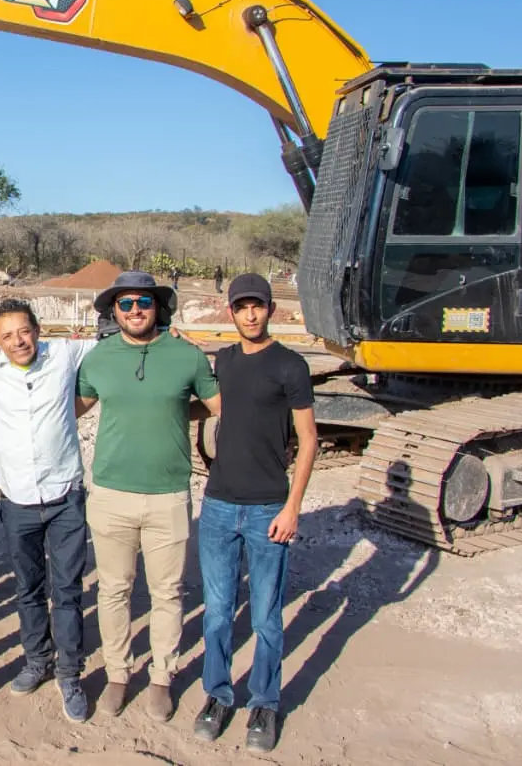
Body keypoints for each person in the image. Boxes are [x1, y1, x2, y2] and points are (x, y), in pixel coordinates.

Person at [76, 270, 220, 722]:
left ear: (158, 307)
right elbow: (72, 408)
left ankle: (161, 677)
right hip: (111, 494)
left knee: (167, 593)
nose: (135, 310)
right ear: (113, 310)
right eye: (125, 303)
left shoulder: (187, 356)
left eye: (143, 301)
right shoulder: (99, 358)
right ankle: (118, 674)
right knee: (112, 591)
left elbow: (219, 406)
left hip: (168, 495)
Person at [193, 273, 316, 753]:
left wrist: (292, 507)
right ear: (231, 311)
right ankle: (217, 695)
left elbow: (308, 440)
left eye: (257, 306)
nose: (250, 314)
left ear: (270, 310)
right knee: (217, 612)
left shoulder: (291, 366)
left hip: (268, 508)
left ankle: (264, 702)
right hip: (219, 506)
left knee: (266, 616)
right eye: (242, 306)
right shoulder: (223, 361)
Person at [0, 299, 92, 723]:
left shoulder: (63, 354)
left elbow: (118, 344)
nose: (18, 341)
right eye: (7, 335)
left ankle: (70, 673)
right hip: (17, 499)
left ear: (38, 330)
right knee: (28, 587)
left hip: (64, 496)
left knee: (67, 589)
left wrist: (167, 333)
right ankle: (37, 660)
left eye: (24, 331)